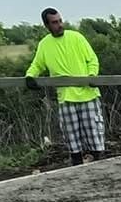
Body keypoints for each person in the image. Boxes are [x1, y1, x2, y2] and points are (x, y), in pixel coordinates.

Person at [24, 9, 104, 165]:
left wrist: (92, 75)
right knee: (72, 139)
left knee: (94, 136)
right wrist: (30, 76)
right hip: (66, 97)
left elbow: (92, 59)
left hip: (88, 95)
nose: (60, 25)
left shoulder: (77, 38)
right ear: (47, 25)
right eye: (55, 22)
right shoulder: (44, 45)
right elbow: (37, 65)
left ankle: (100, 171)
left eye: (60, 21)